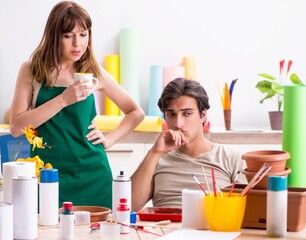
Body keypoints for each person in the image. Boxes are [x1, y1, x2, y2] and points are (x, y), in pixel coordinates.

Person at [9, 1, 144, 209]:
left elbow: (135, 112)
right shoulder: (32, 70)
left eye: (83, 34)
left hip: (93, 175)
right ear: (54, 35)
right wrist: (63, 99)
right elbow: (17, 127)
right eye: (68, 35)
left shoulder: (93, 72)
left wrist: (108, 140)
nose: (77, 44)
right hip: (47, 176)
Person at [131, 78, 246, 211]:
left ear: (203, 115)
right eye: (171, 114)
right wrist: (155, 152)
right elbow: (129, 207)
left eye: (187, 114)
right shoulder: (156, 158)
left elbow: (247, 212)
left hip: (212, 229)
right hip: (164, 229)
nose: (178, 124)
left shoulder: (233, 158)